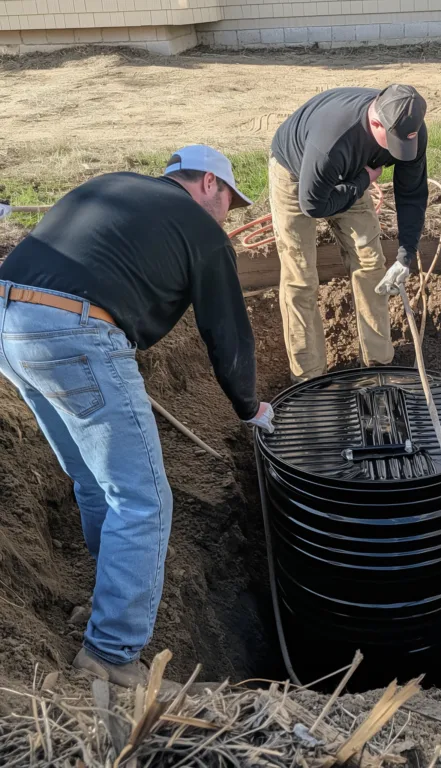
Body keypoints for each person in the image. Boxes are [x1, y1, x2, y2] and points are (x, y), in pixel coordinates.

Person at [0, 146, 274, 688]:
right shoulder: (199, 226)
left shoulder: (115, 187)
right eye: (229, 202)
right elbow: (227, 334)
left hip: (9, 323)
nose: (228, 216)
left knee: (97, 484)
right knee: (143, 499)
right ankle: (110, 653)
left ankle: (105, 609)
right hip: (73, 332)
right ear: (208, 185)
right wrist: (250, 408)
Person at [270, 84, 429, 382]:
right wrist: (360, 182)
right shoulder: (332, 142)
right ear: (376, 122)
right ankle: (308, 377)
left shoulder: (411, 129)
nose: (398, 151)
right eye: (392, 141)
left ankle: (377, 365)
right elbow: (314, 205)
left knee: (371, 264)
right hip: (299, 177)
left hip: (356, 173)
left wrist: (406, 255)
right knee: (300, 277)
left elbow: (412, 193)